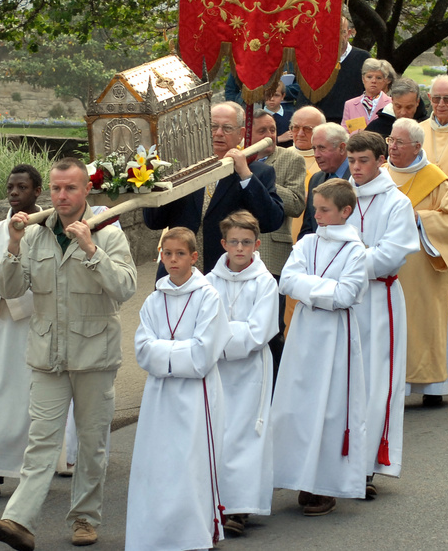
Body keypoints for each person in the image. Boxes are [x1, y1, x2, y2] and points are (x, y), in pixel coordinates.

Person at [0, 159, 138, 550]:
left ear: (87, 190)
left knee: (91, 443)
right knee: (41, 441)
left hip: (94, 356)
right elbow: (12, 289)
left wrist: (90, 249)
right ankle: (18, 520)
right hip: (47, 355)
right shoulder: (35, 234)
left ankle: (85, 519)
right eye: (56, 188)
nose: (62, 196)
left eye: (70, 188)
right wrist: (14, 245)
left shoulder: (108, 233)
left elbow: (125, 288)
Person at [126, 228, 231, 551]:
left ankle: (193, 533)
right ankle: (154, 532)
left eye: (180, 254)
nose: (173, 260)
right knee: (156, 463)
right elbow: (142, 350)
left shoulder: (209, 297)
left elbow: (202, 356)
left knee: (189, 463)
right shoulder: (153, 300)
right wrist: (177, 352)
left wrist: (164, 353)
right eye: (167, 254)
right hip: (160, 396)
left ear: (194, 257)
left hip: (195, 395)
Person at [272, 179, 370, 516]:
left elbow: (347, 296)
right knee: (297, 405)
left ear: (345, 211)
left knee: (330, 408)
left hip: (335, 338)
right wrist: (324, 289)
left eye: (324, 209)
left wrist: (309, 288)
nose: (316, 215)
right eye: (316, 208)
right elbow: (286, 280)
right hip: (303, 332)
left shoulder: (356, 250)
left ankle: (326, 484)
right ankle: (299, 475)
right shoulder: (307, 243)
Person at [346, 130, 419, 495]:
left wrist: (345, 264)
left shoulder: (396, 203)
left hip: (379, 300)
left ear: (380, 161)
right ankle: (340, 459)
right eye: (351, 160)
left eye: (363, 161)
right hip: (342, 301)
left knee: (377, 382)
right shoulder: (338, 197)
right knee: (344, 380)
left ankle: (369, 464)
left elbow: (391, 255)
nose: (356, 168)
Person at [143, 102, 284, 273]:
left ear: (241, 134)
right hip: (177, 275)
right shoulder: (181, 167)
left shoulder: (257, 173)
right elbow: (153, 221)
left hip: (227, 276)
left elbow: (271, 221)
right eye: (213, 126)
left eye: (227, 128)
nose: (218, 133)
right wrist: (155, 178)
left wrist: (245, 175)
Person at [385, 118, 448, 406]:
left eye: (399, 143)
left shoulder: (436, 179)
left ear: (417, 146)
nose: (392, 147)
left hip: (424, 267)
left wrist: (421, 218)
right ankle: (394, 388)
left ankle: (433, 386)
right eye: (390, 141)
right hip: (388, 265)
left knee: (425, 324)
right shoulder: (380, 176)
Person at [206, 211, 278, 535]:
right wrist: (221, 339)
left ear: (256, 244)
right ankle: (217, 503)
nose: (239, 248)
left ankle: (240, 508)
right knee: (220, 434)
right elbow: (203, 324)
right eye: (233, 242)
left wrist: (221, 338)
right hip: (218, 371)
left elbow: (258, 332)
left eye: (246, 243)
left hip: (251, 372)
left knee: (246, 435)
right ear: (223, 244)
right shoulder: (209, 282)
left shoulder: (265, 282)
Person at [0, 164, 43, 499]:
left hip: (34, 325)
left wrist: (16, 280)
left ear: (37, 192)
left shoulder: (49, 227)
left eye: (22, 187)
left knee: (34, 401)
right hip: (2, 326)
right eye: (10, 187)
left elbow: (49, 277)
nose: (14, 193)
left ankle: (35, 474)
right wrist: (9, 278)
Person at [249, 109, 307, 279]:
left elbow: (296, 205)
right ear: (245, 135)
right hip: (235, 256)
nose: (270, 136)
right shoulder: (233, 160)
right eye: (262, 131)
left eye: (273, 130)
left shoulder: (291, 158)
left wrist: (258, 178)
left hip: (272, 257)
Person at [312, 10, 373, 124]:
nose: (336, 36)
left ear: (349, 33)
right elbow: (307, 94)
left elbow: (370, 91)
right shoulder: (316, 59)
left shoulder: (363, 58)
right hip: (323, 122)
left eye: (341, 32)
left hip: (354, 121)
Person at [287, 106, 325, 238]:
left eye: (308, 129)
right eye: (295, 128)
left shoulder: (329, 161)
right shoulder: (280, 157)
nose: (300, 133)